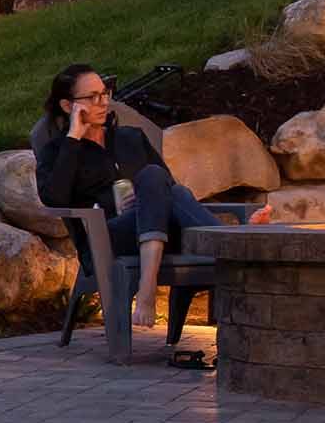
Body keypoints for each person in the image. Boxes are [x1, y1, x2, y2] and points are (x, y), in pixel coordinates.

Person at [30, 63, 261, 326]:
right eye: (92, 97)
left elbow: (167, 188)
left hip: (155, 227)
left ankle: (150, 286)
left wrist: (145, 199)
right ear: (68, 106)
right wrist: (73, 138)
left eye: (105, 93)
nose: (103, 102)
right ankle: (233, 241)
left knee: (156, 179)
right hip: (106, 237)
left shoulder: (130, 138)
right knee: (158, 182)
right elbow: (54, 199)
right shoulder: (58, 151)